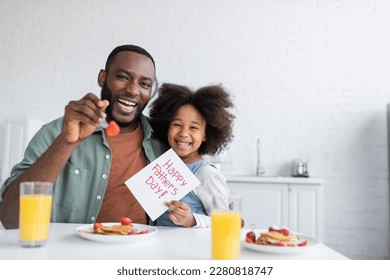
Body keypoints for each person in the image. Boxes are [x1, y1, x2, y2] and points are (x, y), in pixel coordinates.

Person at [0, 44, 167, 229]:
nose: (133, 90)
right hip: (72, 254)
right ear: (102, 77)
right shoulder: (56, 133)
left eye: (144, 84)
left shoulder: (163, 141)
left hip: (141, 252)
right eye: (123, 77)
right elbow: (10, 219)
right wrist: (66, 142)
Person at [148, 83, 235, 227]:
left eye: (194, 127)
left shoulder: (207, 175)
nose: (183, 133)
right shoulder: (161, 166)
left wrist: (191, 220)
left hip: (191, 248)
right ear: (166, 127)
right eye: (177, 124)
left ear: (206, 134)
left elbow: (225, 223)